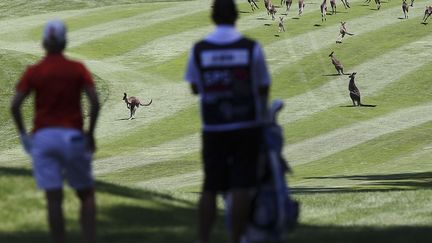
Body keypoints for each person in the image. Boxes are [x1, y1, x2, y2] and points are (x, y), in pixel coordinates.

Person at [184, 0, 271, 242]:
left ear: (213, 17)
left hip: (213, 126)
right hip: (246, 125)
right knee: (242, 183)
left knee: (211, 185)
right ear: (236, 16)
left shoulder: (200, 49)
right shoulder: (250, 47)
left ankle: (203, 239)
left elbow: (193, 86)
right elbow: (263, 86)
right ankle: (235, 238)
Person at [10, 19, 100, 243]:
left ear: (44, 43)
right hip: (73, 136)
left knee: (53, 198)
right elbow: (94, 102)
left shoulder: (34, 71)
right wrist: (90, 133)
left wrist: (23, 135)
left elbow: (15, 105)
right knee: (86, 193)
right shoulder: (77, 68)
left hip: (44, 137)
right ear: (64, 42)